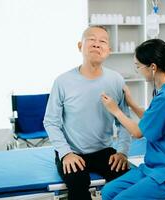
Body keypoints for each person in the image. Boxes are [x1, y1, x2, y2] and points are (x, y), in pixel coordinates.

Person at [101, 39, 165, 200]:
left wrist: (115, 110)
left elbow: (139, 132)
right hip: (154, 166)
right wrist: (131, 103)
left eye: (138, 66)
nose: (138, 70)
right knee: (108, 192)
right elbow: (151, 119)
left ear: (152, 67)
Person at [43, 26, 131, 200]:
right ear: (79, 46)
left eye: (102, 41)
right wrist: (65, 153)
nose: (97, 44)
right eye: (91, 39)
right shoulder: (63, 81)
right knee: (78, 186)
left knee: (126, 184)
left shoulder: (116, 80)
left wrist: (122, 151)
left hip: (104, 151)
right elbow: (51, 121)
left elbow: (124, 121)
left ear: (109, 50)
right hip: (72, 152)